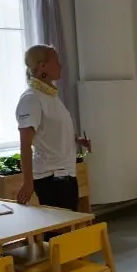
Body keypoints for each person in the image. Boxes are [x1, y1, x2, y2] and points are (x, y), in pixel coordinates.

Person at [15, 44, 90, 210]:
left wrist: (77, 140)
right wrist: (27, 182)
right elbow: (25, 144)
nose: (60, 66)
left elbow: (51, 132)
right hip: (51, 177)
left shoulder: (50, 96)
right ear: (43, 66)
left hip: (65, 173)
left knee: (70, 222)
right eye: (56, 62)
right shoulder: (31, 99)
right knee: (61, 225)